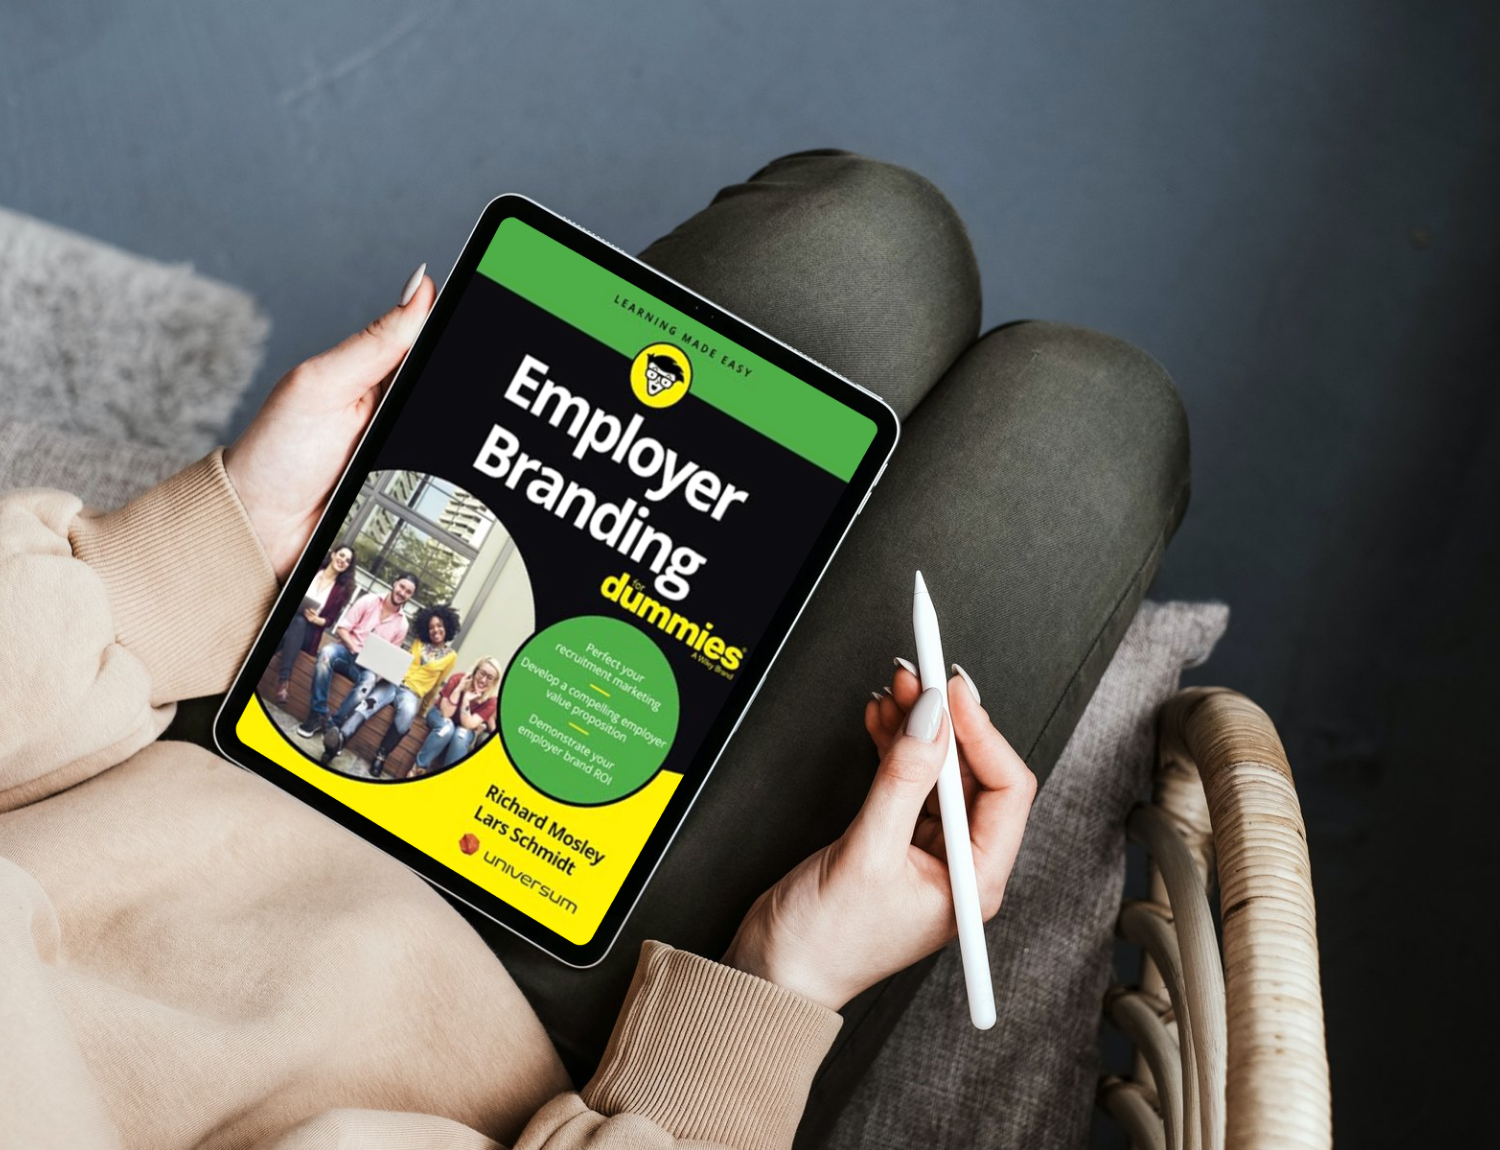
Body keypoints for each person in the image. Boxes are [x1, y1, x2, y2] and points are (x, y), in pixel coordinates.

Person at [0, 151, 1188, 1148]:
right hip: (574, 1066)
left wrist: (197, 552)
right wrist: (784, 980)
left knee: (870, 233)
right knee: (1098, 425)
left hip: (198, 752)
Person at [321, 604, 461, 776]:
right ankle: (338, 742)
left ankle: (381, 756)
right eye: (431, 627)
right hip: (393, 682)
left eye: (439, 626)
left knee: (407, 714)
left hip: (412, 693)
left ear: (447, 626)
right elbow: (401, 661)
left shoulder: (451, 657)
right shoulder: (418, 642)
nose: (435, 630)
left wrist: (423, 711)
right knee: (368, 704)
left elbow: (436, 685)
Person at [294, 572, 418, 739]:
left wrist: (378, 675)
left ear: (411, 596)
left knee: (369, 681)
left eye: (408, 591)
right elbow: (341, 629)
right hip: (346, 652)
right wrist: (354, 648)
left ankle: (334, 726)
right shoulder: (368, 601)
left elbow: (388, 661)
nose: (403, 593)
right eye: (402, 587)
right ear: (395, 583)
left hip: (367, 667)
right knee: (326, 653)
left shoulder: (402, 625)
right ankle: (317, 714)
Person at [268, 543, 356, 705]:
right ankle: (283, 683)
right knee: (292, 624)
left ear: (348, 566)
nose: (343, 561)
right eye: (341, 555)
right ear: (333, 554)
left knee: (299, 622)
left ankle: (283, 679)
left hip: (309, 632)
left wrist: (317, 620)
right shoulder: (313, 570)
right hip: (287, 621)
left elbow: (329, 620)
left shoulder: (341, 590)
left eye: (348, 560)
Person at [410, 655, 502, 777]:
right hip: (439, 715)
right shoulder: (458, 678)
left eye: (490, 678)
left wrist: (466, 701)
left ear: (494, 682)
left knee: (460, 736)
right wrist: (459, 689)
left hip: (464, 727)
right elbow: (446, 713)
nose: (483, 680)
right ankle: (417, 769)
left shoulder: (491, 701)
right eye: (482, 673)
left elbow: (468, 724)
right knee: (447, 728)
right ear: (475, 671)